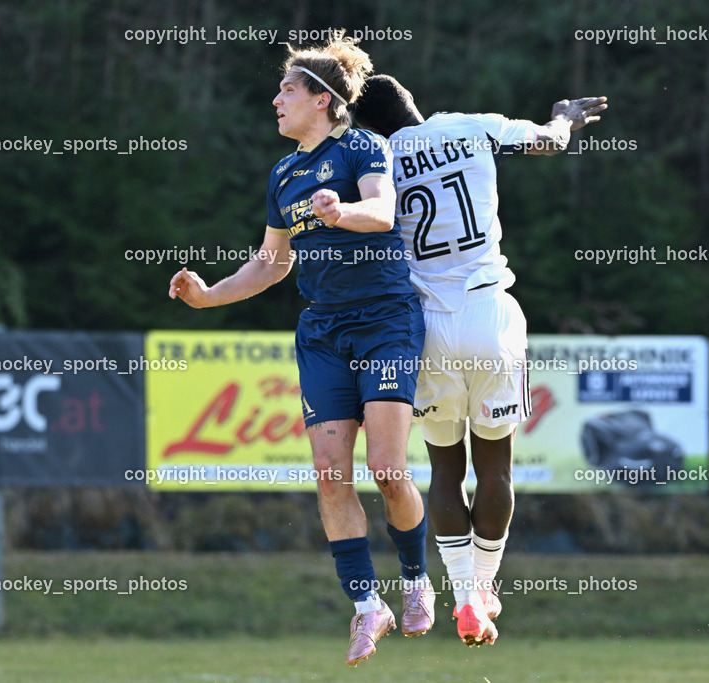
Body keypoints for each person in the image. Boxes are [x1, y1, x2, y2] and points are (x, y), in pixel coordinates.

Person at [168, 38, 435, 667]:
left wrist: (342, 212)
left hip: (385, 320)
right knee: (328, 472)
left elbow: (384, 212)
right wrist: (207, 297)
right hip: (323, 332)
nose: (276, 99)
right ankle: (367, 605)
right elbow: (271, 263)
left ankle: (416, 579)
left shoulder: (362, 146)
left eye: (287, 89)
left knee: (388, 470)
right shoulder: (283, 174)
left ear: (323, 99)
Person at [351, 76, 606, 646]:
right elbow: (549, 142)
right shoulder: (469, 127)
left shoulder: (374, 163)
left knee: (445, 470)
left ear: (368, 126)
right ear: (412, 102)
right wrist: (564, 116)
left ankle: (463, 590)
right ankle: (481, 592)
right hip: (489, 312)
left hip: (425, 326)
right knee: (496, 468)